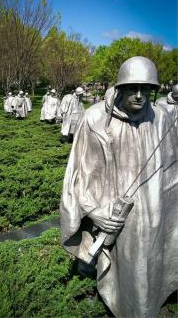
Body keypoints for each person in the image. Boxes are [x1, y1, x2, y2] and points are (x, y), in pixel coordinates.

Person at [60, 56, 178, 318]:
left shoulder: (160, 118)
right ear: (120, 87)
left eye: (146, 89)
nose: (139, 96)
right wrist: (94, 212)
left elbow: (172, 168)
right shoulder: (95, 120)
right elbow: (79, 175)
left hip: (153, 213)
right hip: (112, 214)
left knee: (149, 265)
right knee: (121, 266)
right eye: (133, 88)